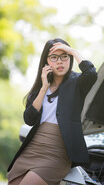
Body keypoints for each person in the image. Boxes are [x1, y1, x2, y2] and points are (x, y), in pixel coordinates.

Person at [7, 38, 97, 185]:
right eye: (54, 57)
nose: (60, 61)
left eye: (64, 56)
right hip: (34, 146)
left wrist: (72, 51)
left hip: (58, 151)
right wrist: (44, 88)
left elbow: (92, 74)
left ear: (70, 58)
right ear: (46, 61)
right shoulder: (42, 85)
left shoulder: (77, 81)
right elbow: (29, 119)